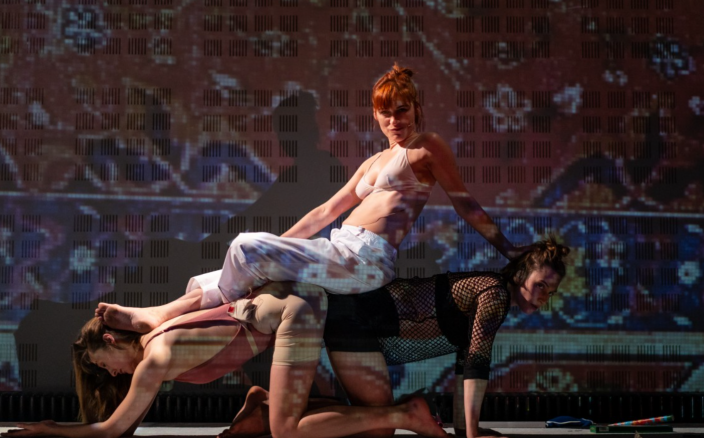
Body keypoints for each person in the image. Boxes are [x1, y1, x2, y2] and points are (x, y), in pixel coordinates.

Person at [95, 62, 528, 333]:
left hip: (367, 261)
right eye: (386, 112)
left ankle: (164, 317)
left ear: (416, 109)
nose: (395, 120)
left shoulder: (425, 147)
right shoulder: (374, 161)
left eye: (402, 110)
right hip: (339, 248)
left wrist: (510, 251)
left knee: (244, 247)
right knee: (224, 270)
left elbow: (465, 203)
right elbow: (325, 211)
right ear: (375, 116)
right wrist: (277, 251)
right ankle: (158, 314)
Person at [208, 239, 571, 438]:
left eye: (550, 292)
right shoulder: (495, 293)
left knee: (377, 429)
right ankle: (406, 414)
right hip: (356, 318)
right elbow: (478, 362)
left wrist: (466, 432)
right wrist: (473, 437)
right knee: (378, 430)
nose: (543, 296)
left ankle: (266, 406)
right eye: (540, 285)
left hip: (363, 325)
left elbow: (466, 361)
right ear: (521, 274)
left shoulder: (493, 294)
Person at [2, 282, 447, 438]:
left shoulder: (156, 357)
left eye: (104, 363)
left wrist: (50, 430)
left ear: (113, 340)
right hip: (284, 305)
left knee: (288, 432)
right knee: (359, 434)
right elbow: (125, 425)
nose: (112, 373)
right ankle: (260, 403)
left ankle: (404, 414)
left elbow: (111, 431)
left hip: (295, 310)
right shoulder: (157, 340)